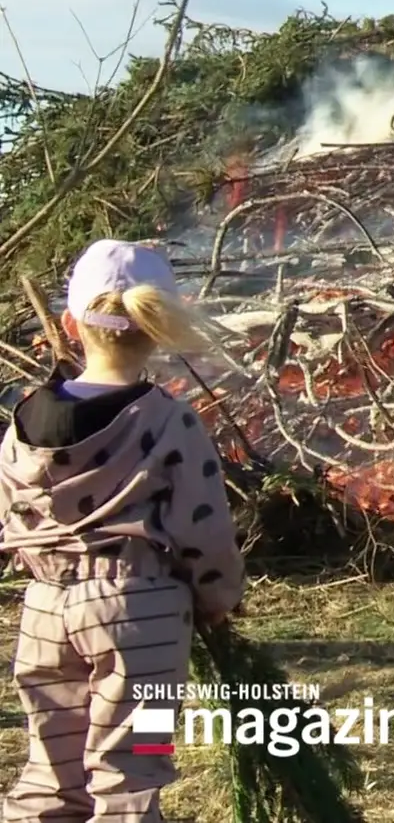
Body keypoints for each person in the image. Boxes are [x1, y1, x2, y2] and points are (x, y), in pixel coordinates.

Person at [1, 238, 246, 822]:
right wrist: (219, 599)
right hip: (146, 617)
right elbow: (203, 524)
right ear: (157, 328)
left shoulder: (24, 419)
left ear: (68, 323)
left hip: (43, 609)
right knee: (135, 771)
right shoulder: (169, 418)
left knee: (48, 771)